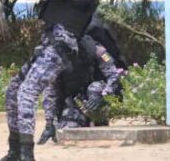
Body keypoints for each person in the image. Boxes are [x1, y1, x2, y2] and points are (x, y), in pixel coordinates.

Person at [0, 0, 119, 161]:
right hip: (47, 48)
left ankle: (26, 155)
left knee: (26, 93)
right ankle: (15, 150)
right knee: (13, 91)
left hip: (56, 51)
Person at [38, 14, 126, 144]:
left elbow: (113, 75)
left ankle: (100, 120)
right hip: (73, 100)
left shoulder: (95, 49)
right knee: (69, 133)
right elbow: (50, 90)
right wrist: (49, 122)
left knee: (94, 89)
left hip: (97, 94)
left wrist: (104, 95)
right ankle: (80, 119)